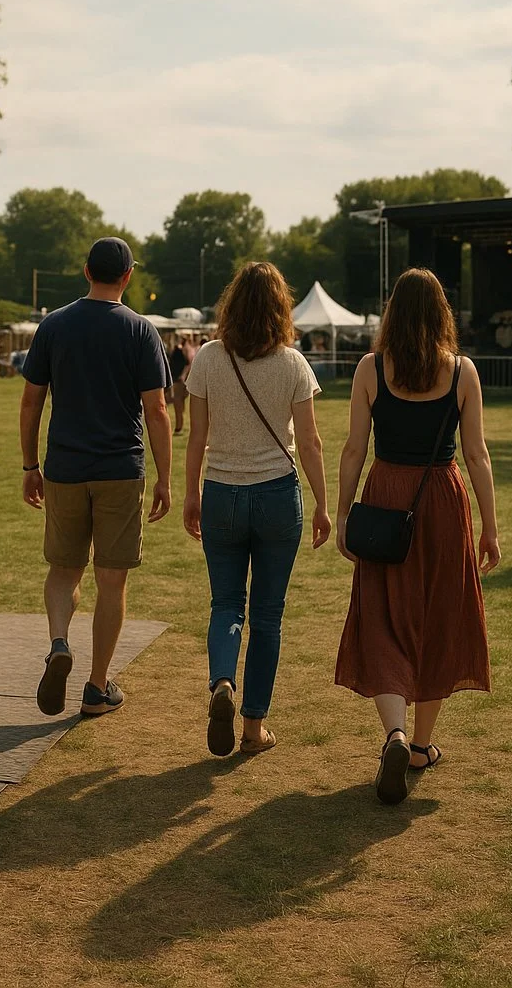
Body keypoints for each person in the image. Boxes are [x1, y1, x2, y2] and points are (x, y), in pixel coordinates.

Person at [335, 268, 499, 806]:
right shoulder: (462, 372)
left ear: (392, 314)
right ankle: (422, 744)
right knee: (439, 615)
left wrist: (343, 513)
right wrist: (492, 526)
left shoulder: (369, 369)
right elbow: (476, 454)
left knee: (383, 614)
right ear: (441, 315)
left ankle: (395, 735)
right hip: (444, 503)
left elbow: (354, 450)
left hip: (385, 496)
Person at [182, 263, 331, 757]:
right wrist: (324, 504)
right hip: (275, 495)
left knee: (226, 604)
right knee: (268, 617)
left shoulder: (206, 358)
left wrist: (190, 494)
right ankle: (253, 727)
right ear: (280, 308)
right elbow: (309, 442)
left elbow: (196, 438)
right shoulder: (292, 363)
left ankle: (222, 680)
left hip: (221, 491)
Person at [20, 237, 173, 718]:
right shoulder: (141, 331)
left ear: (87, 271)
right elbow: (157, 410)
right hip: (119, 468)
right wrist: (166, 479)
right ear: (127, 276)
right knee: (113, 581)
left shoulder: (54, 325)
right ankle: (97, 685)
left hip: (64, 466)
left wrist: (29, 466)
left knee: (64, 570)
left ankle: (60, 642)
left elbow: (31, 402)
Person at [169, 334, 194, 434]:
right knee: (179, 404)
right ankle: (179, 426)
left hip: (179, 380)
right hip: (180, 379)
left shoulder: (180, 350)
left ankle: (179, 427)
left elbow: (187, 364)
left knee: (178, 403)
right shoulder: (183, 350)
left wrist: (183, 376)